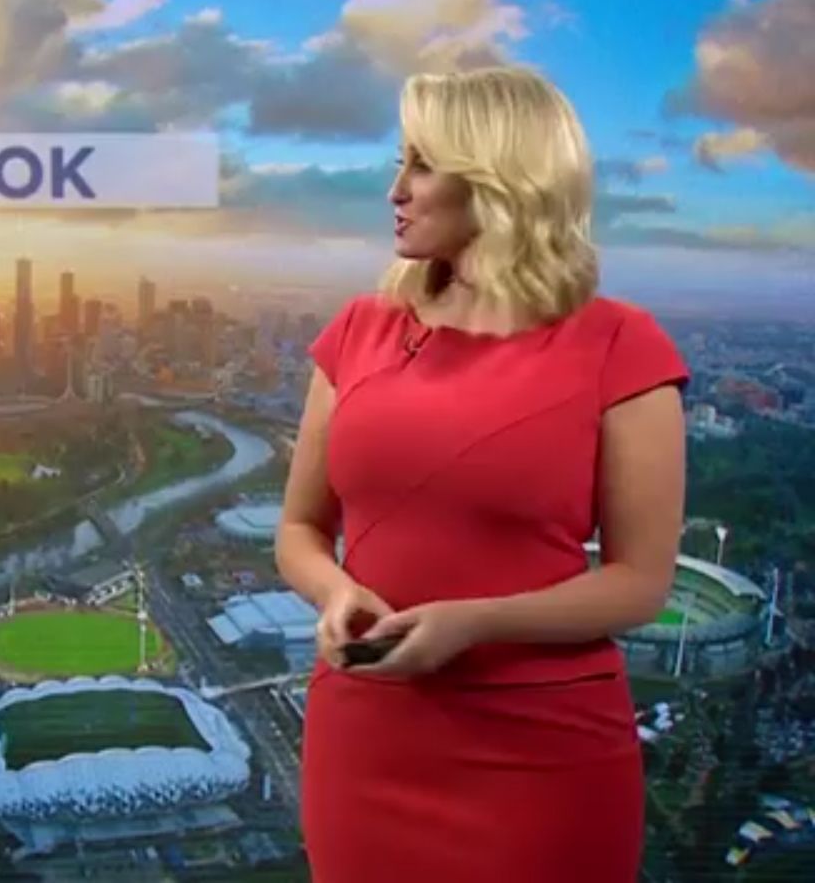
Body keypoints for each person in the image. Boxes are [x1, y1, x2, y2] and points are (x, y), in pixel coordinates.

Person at [276, 65, 688, 883]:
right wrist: (334, 592)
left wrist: (475, 624)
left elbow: (640, 584)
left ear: (500, 181)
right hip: (367, 737)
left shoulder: (621, 347)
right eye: (400, 163)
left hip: (541, 754)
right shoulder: (358, 331)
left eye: (423, 165)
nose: (395, 190)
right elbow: (299, 529)